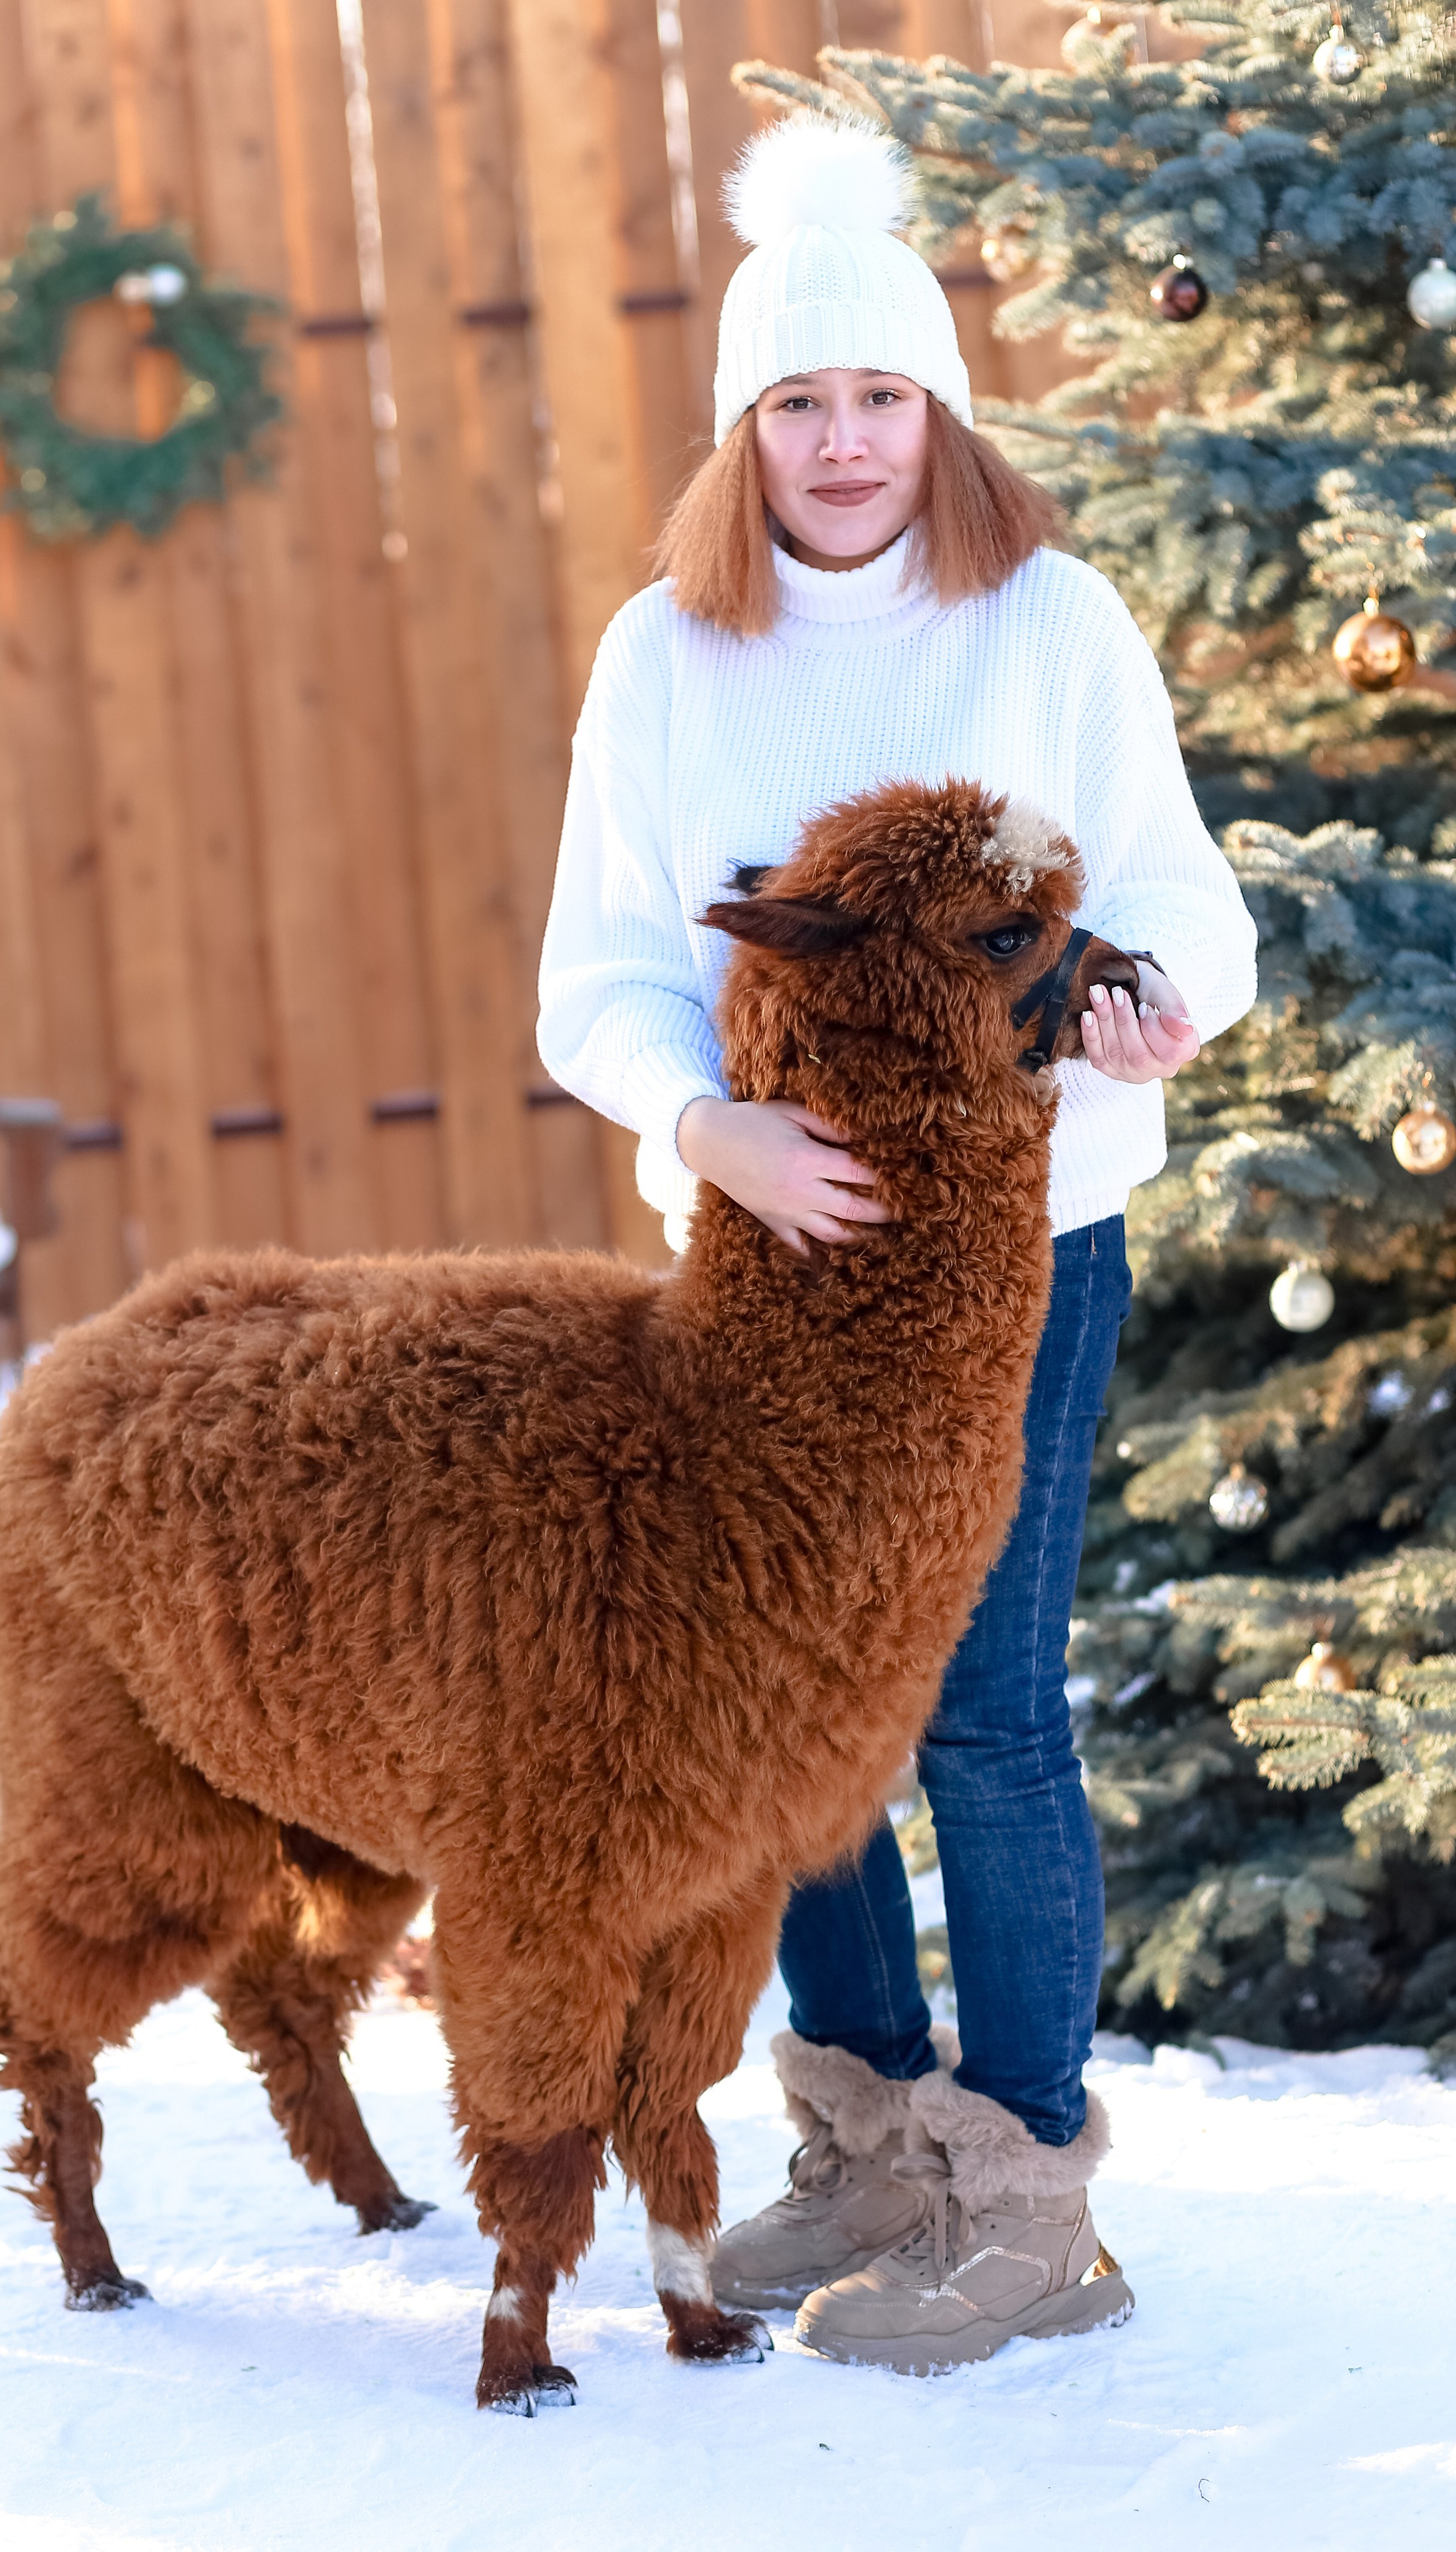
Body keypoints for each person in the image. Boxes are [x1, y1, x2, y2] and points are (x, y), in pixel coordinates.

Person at [536, 112, 1256, 2375]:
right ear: (741, 428)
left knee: (983, 1710)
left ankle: (1028, 2199)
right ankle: (859, 2149)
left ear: (939, 412)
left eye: (879, 396)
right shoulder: (669, 652)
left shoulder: (1052, 622)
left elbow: (1183, 900)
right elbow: (600, 978)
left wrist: (1155, 1004)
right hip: (764, 1267)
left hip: (1026, 1255)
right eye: (797, 402)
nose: (842, 442)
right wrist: (708, 1125)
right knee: (793, 1705)